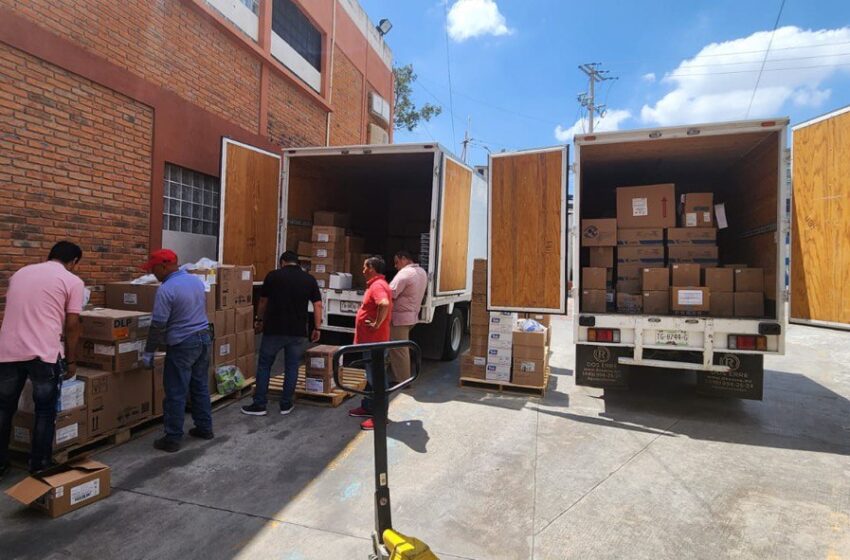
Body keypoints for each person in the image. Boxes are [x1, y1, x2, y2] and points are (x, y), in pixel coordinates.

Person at [0, 241, 84, 476]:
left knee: (4, 408)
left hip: (7, 351)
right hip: (42, 353)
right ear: (73, 261)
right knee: (45, 410)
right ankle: (39, 464)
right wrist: (72, 360)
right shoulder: (72, 281)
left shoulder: (20, 273)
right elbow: (72, 323)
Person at [141, 249, 213, 453]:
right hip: (203, 338)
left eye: (153, 269)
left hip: (183, 344)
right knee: (199, 386)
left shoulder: (167, 289)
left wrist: (148, 352)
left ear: (163, 266)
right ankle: (205, 428)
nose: (152, 274)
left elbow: (158, 325)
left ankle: (172, 438)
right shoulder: (195, 281)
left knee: (175, 390)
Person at [241, 251, 322, 417]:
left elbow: (263, 301)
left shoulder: (273, 276)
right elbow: (318, 305)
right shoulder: (309, 279)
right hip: (297, 331)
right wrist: (317, 328)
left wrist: (259, 320)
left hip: (274, 330)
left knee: (264, 366)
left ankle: (260, 405)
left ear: (282, 262)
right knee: (292, 367)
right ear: (297, 263)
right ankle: (286, 404)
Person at [348, 256, 392, 431]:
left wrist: (377, 324)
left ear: (372, 268)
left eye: (365, 267)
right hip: (370, 342)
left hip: (376, 343)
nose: (363, 270)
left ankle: (380, 417)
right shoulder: (375, 285)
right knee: (370, 377)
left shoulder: (378, 286)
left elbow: (384, 303)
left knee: (377, 379)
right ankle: (368, 406)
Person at [388, 251, 428, 382]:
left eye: (397, 261)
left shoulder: (405, 273)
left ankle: (403, 381)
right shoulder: (422, 272)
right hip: (411, 317)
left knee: (399, 350)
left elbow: (391, 292)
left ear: (404, 258)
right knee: (399, 349)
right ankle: (401, 377)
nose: (395, 265)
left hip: (400, 318)